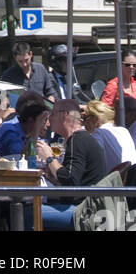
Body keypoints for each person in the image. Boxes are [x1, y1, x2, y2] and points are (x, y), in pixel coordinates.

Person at [34, 99, 106, 231]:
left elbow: (70, 180)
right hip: (87, 208)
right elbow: (73, 180)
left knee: (28, 213)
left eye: (52, 114)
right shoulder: (81, 138)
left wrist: (49, 158)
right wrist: (52, 176)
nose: (49, 120)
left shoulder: (77, 139)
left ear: (64, 114)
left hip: (83, 212)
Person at [82, 99, 136, 172]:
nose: (83, 123)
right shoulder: (123, 130)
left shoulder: (98, 133)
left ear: (95, 118)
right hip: (131, 177)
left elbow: (86, 157)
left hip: (118, 180)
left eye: (85, 118)